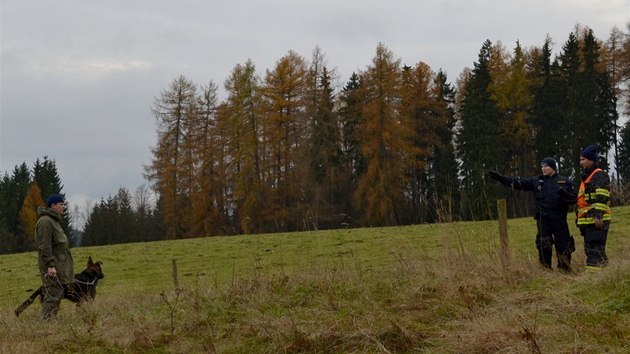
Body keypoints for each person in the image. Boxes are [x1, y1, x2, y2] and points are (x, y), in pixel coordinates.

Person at [488, 157, 577, 271]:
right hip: (543, 219)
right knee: (544, 243)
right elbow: (518, 182)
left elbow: (574, 198)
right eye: (542, 166)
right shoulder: (537, 181)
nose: (543, 169)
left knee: (563, 244)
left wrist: (565, 194)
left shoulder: (564, 181)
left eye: (546, 166)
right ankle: (546, 269)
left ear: (553, 168)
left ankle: (565, 269)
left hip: (559, 218)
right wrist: (501, 178)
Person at [36, 194, 74, 319]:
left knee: (57, 291)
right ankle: (46, 322)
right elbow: (44, 246)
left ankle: (50, 320)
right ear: (52, 206)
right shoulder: (45, 222)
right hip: (51, 266)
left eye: (64, 204)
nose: (63, 207)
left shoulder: (54, 221)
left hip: (59, 264)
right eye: (61, 205)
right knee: (53, 292)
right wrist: (50, 266)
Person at [576, 144, 611, 269]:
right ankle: (602, 275)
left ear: (591, 160)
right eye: (580, 159)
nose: (581, 162)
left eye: (583, 159)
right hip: (589, 222)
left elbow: (602, 196)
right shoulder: (587, 177)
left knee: (595, 252)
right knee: (593, 251)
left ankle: (594, 278)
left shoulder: (599, 175)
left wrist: (598, 216)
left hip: (597, 221)